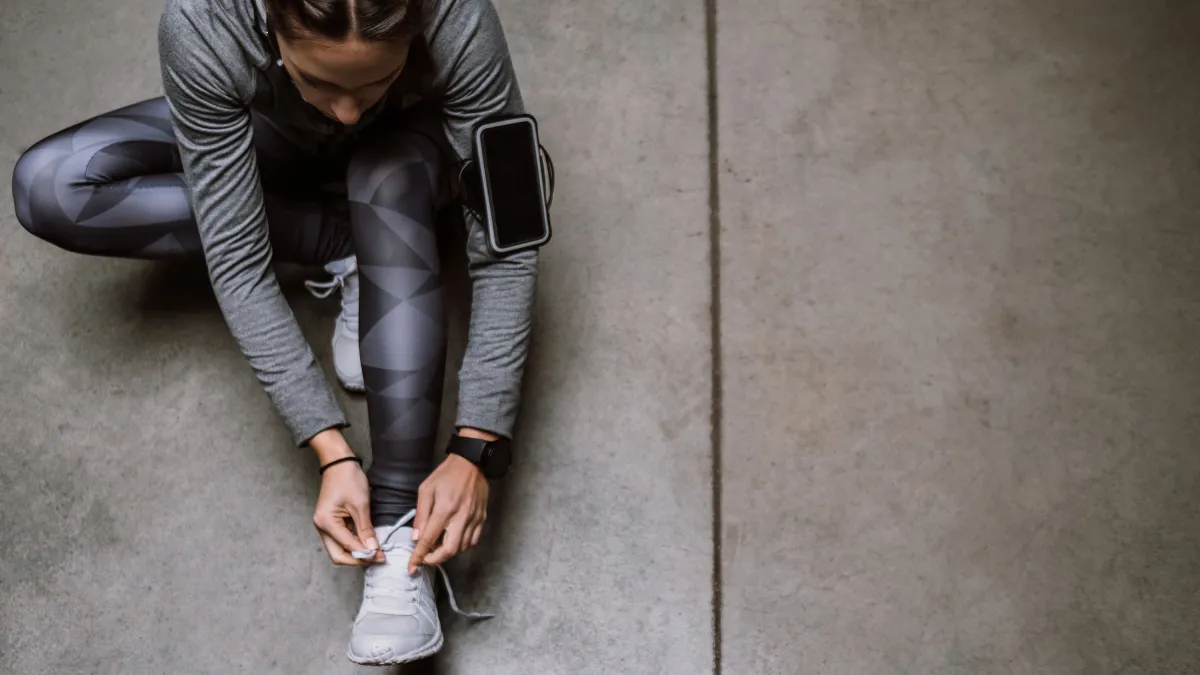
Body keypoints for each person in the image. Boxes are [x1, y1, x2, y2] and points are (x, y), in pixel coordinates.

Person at [10, 0, 537, 665]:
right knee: (52, 185)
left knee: (383, 169)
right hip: (277, 135)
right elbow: (238, 262)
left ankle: (398, 523)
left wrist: (477, 446)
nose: (348, 111)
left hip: (412, 155)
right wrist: (330, 449)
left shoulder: (456, 14)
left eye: (375, 80)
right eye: (320, 81)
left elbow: (509, 245)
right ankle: (349, 242)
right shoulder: (205, 20)